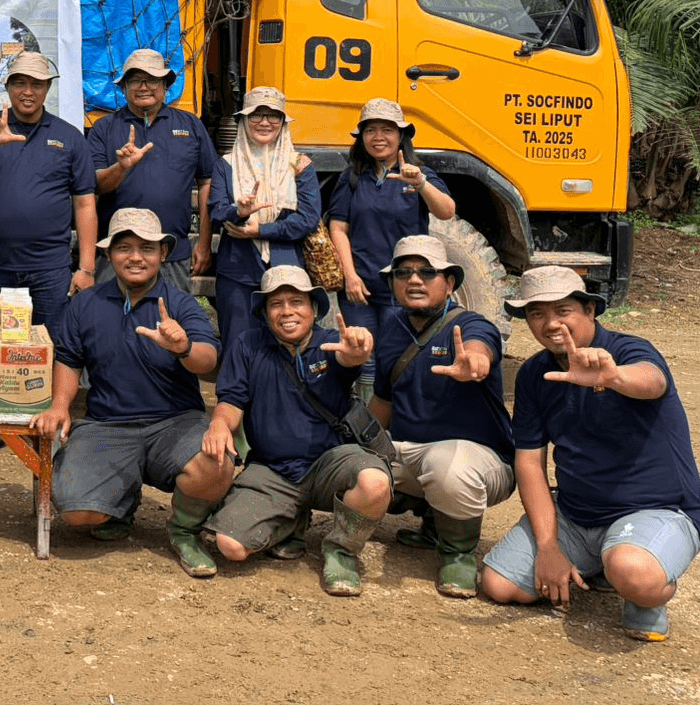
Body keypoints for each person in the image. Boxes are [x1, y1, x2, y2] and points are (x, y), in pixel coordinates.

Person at [479, 267, 700, 642]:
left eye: (563, 310)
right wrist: (549, 547)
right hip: (576, 515)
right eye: (537, 313)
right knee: (499, 585)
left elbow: (653, 381)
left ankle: (646, 591)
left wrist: (614, 377)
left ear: (590, 310)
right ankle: (600, 562)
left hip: (655, 508)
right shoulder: (535, 374)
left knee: (634, 573)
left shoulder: (628, 350)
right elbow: (529, 462)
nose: (550, 323)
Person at [31, 208, 228, 561]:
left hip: (175, 423)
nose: (136, 257)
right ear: (108, 253)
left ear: (163, 254)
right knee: (78, 513)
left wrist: (182, 347)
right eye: (124, 248)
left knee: (217, 465)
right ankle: (120, 502)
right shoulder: (86, 303)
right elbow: (69, 360)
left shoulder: (181, 305)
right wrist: (60, 405)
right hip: (108, 424)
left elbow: (208, 358)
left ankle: (184, 529)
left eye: (147, 248)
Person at [200, 265, 391, 595]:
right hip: (272, 469)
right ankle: (290, 520)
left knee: (375, 483)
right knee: (230, 546)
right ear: (264, 311)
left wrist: (357, 351)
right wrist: (219, 424)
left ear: (313, 308)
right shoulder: (247, 345)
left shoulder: (332, 343)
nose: (287, 311)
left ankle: (341, 551)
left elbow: (349, 358)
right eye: (276, 304)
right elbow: (231, 399)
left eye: (296, 302)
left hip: (329, 465)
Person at [0, 51, 97, 457]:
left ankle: (45, 422)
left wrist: (85, 267)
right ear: (8, 87)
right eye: (20, 83)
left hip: (49, 266)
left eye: (37, 84)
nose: (28, 91)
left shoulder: (69, 136)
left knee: (52, 345)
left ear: (48, 88)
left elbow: (85, 203)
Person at [369, 236, 514, 597]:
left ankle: (458, 554)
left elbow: (482, 348)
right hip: (412, 452)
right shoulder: (390, 328)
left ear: (449, 283)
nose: (414, 280)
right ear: (392, 283)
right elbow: (383, 402)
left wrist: (475, 362)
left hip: (480, 464)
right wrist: (354, 444)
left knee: (447, 465)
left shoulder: (472, 327)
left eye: (427, 272)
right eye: (403, 272)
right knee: (346, 460)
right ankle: (433, 523)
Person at [326, 98, 455, 395]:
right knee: (363, 356)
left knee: (399, 354)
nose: (378, 137)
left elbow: (446, 210)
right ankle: (367, 423)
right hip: (361, 287)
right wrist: (350, 276)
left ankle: (399, 421)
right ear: (362, 138)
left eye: (387, 130)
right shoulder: (353, 177)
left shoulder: (418, 174)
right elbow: (339, 228)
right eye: (371, 130)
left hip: (404, 285)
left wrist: (421, 183)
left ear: (401, 136)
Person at [86, 49, 216, 290]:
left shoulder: (190, 126)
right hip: (115, 253)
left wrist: (204, 242)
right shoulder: (104, 129)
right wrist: (121, 168)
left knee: (170, 322)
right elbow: (93, 186)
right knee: (110, 323)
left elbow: (207, 181)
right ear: (124, 87)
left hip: (171, 254)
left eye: (152, 79)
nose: (143, 86)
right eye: (135, 79)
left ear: (166, 84)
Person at [207, 86, 320, 348]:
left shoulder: (299, 164)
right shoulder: (226, 164)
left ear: (282, 123)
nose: (265, 122)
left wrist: (262, 230)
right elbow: (216, 211)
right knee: (238, 344)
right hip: (238, 270)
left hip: (287, 269)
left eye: (274, 116)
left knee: (285, 346)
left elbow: (308, 219)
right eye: (256, 115)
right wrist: (239, 211)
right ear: (244, 121)